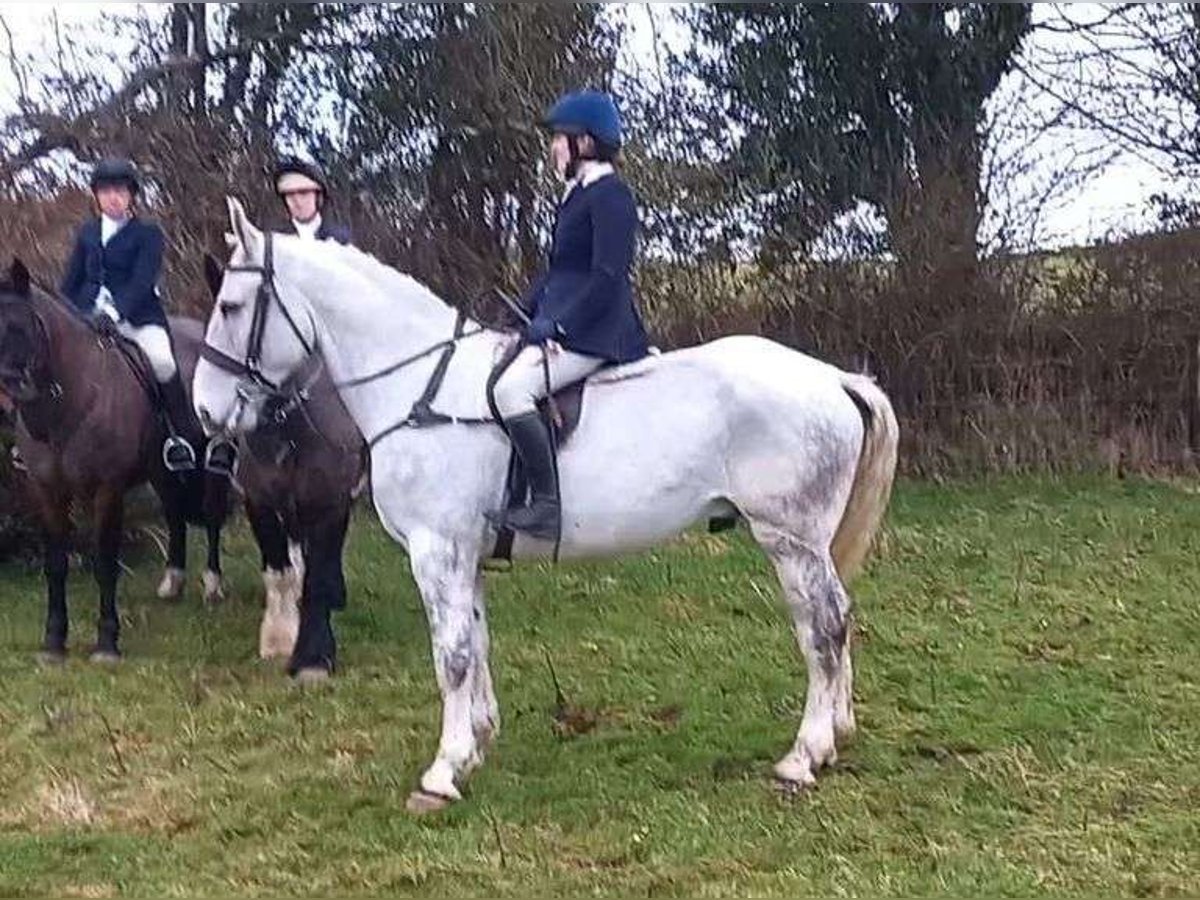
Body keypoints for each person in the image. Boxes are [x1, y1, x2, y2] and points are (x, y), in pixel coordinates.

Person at [487, 89, 650, 541]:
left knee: (513, 392)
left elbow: (607, 277)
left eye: (561, 138)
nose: (554, 147)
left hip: (599, 331)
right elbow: (561, 272)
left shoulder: (612, 196)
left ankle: (545, 506)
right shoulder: (576, 195)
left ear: (586, 144)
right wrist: (519, 311)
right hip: (567, 321)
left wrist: (559, 325)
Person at [60, 157, 202, 472]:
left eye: (120, 191)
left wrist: (114, 312)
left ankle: (179, 436)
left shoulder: (147, 233)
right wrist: (65, 315)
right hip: (88, 320)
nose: (113, 197)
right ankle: (39, 441)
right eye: (106, 191)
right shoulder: (87, 233)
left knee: (163, 361)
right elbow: (70, 282)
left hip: (136, 318)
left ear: (131, 196)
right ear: (96, 196)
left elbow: (142, 282)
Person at [272, 157, 352, 244]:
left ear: (319, 197)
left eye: (304, 193)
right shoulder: (276, 241)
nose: (297, 201)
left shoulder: (341, 239)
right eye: (290, 195)